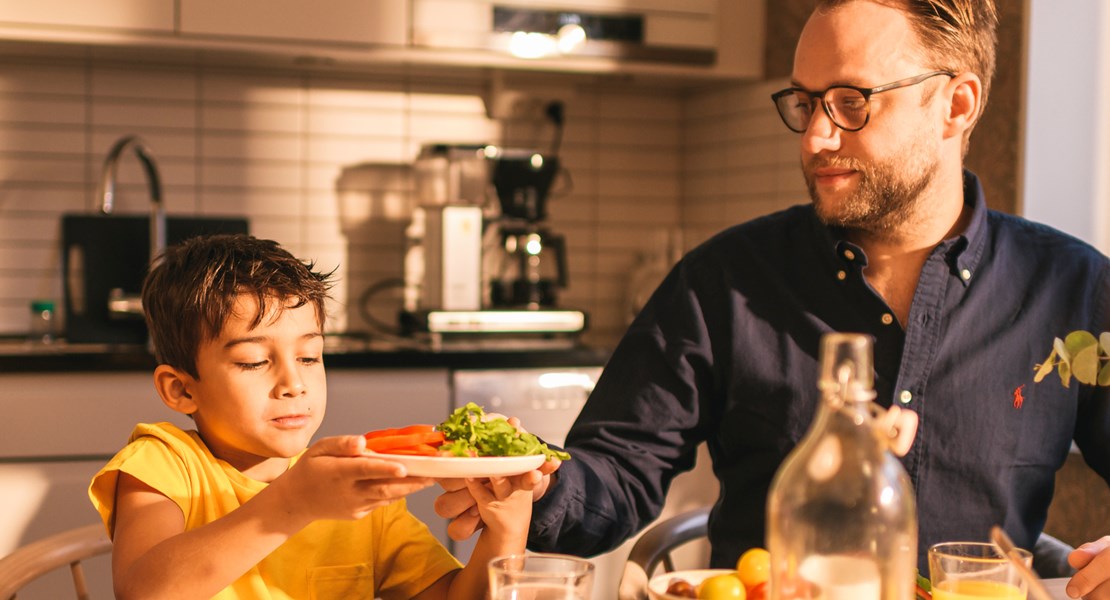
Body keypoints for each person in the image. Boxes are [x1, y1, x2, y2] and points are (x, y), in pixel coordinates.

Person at [435, 0, 1110, 598]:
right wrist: (537, 486)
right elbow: (618, 470)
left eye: (852, 102)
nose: (816, 136)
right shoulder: (725, 281)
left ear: (957, 104)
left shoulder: (1071, 291)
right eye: (805, 102)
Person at [89, 233, 536, 600]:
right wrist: (292, 504)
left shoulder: (357, 491)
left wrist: (507, 527)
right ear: (182, 389)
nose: (293, 383)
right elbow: (143, 592)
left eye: (309, 357)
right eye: (252, 362)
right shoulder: (162, 465)